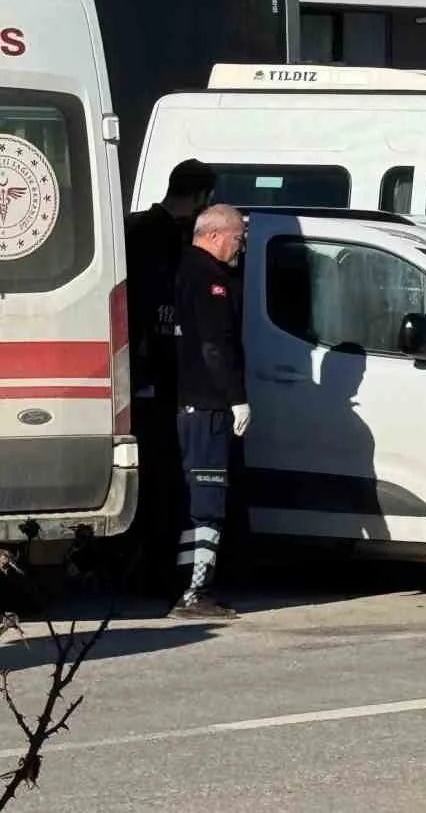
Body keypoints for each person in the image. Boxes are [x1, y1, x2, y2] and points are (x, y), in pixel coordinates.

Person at [123, 159, 216, 595]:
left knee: (158, 479)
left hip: (146, 375)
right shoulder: (162, 236)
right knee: (164, 480)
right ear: (200, 197)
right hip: (158, 378)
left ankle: (142, 567)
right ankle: (151, 571)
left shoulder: (134, 229)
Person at [169, 204, 249, 619]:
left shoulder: (181, 271)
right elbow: (216, 345)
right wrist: (236, 397)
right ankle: (195, 591)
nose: (241, 246)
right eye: (238, 237)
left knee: (193, 500)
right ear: (216, 234)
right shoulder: (210, 279)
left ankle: (187, 585)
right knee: (208, 501)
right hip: (208, 406)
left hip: (186, 404)